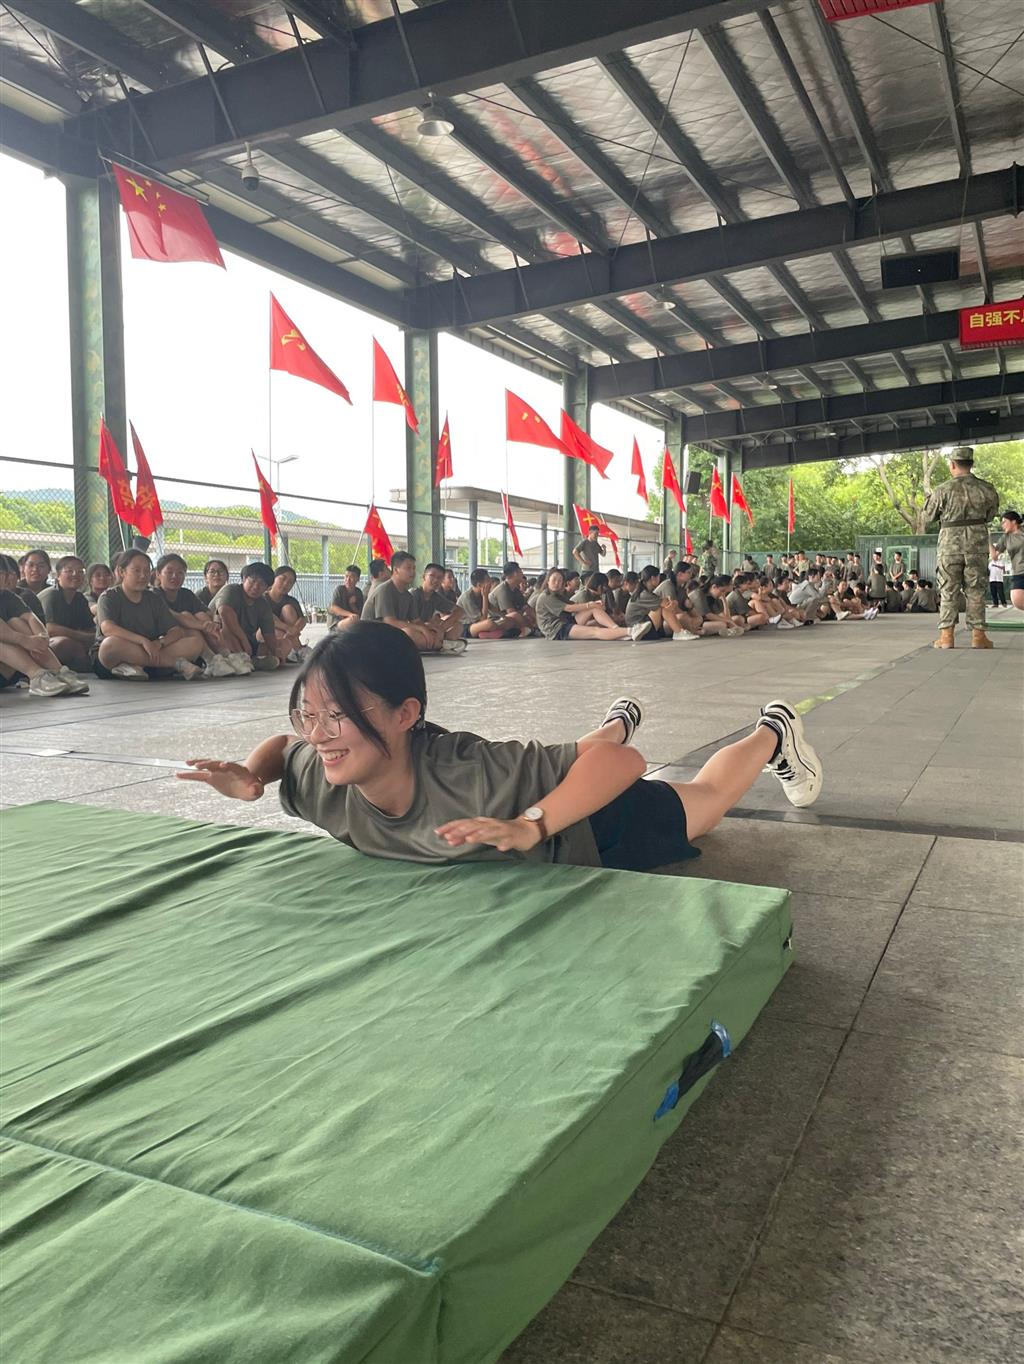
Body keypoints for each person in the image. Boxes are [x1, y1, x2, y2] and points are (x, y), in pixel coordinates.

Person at [177, 628, 823, 872]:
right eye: (310, 713)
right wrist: (252, 778)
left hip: (583, 821)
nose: (318, 734)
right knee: (575, 750)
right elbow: (283, 747)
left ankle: (774, 730)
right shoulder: (321, 772)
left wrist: (528, 825)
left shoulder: (469, 774)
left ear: (406, 715)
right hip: (540, 794)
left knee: (708, 801)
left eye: (338, 715)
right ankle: (613, 721)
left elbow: (624, 768)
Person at [923, 447, 999, 648]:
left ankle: (947, 637)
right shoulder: (986, 489)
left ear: (952, 465)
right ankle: (978, 637)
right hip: (977, 544)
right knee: (976, 589)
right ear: (971, 464)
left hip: (949, 546)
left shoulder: (942, 490)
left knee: (948, 589)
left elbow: (928, 517)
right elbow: (990, 515)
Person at [93, 548, 206, 680]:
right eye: (136, 570)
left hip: (152, 651)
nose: (143, 576)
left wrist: (160, 643)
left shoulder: (153, 599)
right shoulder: (109, 597)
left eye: (146, 571)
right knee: (110, 645)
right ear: (122, 572)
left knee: (195, 643)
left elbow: (175, 631)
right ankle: (175, 663)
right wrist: (142, 641)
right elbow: (108, 629)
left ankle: (136, 666)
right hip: (115, 657)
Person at [154, 553, 242, 677]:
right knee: (187, 618)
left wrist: (211, 624)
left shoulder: (186, 594)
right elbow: (175, 616)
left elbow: (205, 613)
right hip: (164, 645)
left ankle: (223, 655)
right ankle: (212, 660)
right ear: (158, 574)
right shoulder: (154, 594)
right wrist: (202, 625)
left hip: (190, 644)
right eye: (169, 572)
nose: (175, 576)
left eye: (180, 572)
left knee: (200, 617)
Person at [361, 551, 466, 654]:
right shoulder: (385, 590)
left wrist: (432, 629)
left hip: (392, 634)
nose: (412, 572)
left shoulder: (407, 596)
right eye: (408, 568)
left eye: (414, 568)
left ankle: (439, 644)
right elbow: (390, 622)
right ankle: (441, 645)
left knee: (439, 630)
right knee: (408, 633)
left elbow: (416, 621)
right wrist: (422, 629)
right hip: (373, 637)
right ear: (396, 570)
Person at [1, 581, 89, 696]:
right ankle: (35, 674)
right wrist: (25, 640)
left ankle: (57, 671)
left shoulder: (6, 596)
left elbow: (30, 617)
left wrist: (42, 637)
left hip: (10, 669)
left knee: (16, 621)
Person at [209, 561, 285, 670]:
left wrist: (276, 652)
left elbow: (269, 634)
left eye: (262, 584)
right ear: (244, 579)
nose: (256, 587)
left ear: (267, 588)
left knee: (283, 644)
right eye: (252, 581)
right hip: (217, 639)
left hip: (246, 643)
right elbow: (225, 612)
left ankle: (248, 661)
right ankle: (246, 661)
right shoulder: (231, 590)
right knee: (226, 630)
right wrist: (243, 639)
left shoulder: (263, 604)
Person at [535, 567, 637, 641]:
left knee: (595, 610)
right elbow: (570, 608)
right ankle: (631, 631)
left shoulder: (557, 594)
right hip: (557, 630)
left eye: (560, 580)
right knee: (594, 631)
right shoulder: (546, 596)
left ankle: (616, 629)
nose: (557, 583)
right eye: (554, 580)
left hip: (566, 621)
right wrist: (590, 604)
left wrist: (593, 604)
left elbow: (573, 604)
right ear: (548, 581)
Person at [37, 556, 96, 673]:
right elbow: (50, 629)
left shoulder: (79, 598)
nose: (75, 574)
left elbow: (90, 628)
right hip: (41, 643)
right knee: (65, 643)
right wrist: (83, 637)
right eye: (69, 571)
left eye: (80, 571)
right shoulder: (51, 595)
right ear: (58, 575)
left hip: (73, 642)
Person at [267, 566, 310, 662]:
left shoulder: (291, 600)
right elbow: (266, 620)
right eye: (282, 579)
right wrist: (287, 628)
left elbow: (302, 619)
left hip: (288, 635)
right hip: (267, 633)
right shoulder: (263, 598)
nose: (286, 583)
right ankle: (297, 649)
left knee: (288, 609)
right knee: (274, 626)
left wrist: (295, 629)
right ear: (273, 578)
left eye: (290, 582)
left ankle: (293, 650)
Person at [490, 562, 537, 634]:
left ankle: (532, 629)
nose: (522, 573)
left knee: (528, 615)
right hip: (497, 620)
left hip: (508, 618)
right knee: (515, 615)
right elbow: (511, 612)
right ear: (515, 573)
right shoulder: (502, 590)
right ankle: (532, 630)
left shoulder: (515, 589)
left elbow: (526, 607)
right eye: (521, 571)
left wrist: (536, 619)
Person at [992, 510, 1024, 611]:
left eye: (1004, 522)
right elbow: (994, 556)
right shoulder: (1005, 538)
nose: (1002, 525)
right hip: (1018, 571)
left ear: (1013, 521)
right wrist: (987, 539)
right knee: (1017, 599)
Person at [329, 565, 365, 631]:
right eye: (346, 576)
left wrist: (352, 605)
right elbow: (333, 608)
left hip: (353, 621)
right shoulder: (339, 589)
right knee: (353, 621)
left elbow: (359, 614)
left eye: (351, 577)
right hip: (337, 623)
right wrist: (350, 614)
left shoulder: (358, 592)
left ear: (358, 579)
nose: (348, 580)